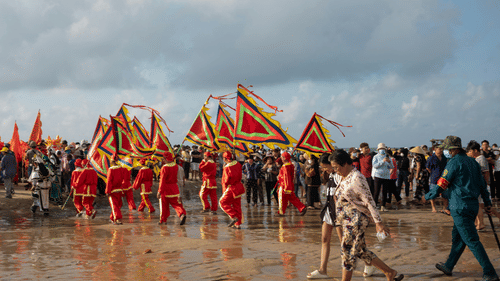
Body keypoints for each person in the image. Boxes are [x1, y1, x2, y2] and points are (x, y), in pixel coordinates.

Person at [425, 136, 499, 281]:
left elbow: (442, 184)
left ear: (452, 149)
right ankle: (448, 266)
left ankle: (489, 272)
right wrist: (487, 203)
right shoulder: (473, 162)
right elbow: (483, 185)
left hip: (459, 207)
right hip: (472, 206)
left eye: (448, 149)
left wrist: (428, 196)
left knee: (471, 240)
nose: (447, 151)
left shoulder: (453, 162)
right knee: (458, 238)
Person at [330, 150, 404, 281]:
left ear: (345, 163)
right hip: (347, 220)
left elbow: (369, 201)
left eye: (336, 167)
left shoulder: (356, 178)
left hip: (356, 220)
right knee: (360, 250)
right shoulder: (343, 176)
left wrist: (378, 222)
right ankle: (389, 272)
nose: (335, 170)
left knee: (347, 250)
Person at [158, 152, 187, 225]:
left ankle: (163, 220)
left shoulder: (164, 167)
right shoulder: (175, 166)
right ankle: (182, 214)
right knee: (177, 204)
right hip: (174, 188)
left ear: (165, 158)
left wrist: (159, 191)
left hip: (166, 189)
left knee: (164, 205)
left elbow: (162, 181)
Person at [219, 151, 246, 229]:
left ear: (224, 158)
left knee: (222, 202)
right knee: (237, 205)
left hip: (231, 187)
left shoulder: (227, 168)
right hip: (239, 186)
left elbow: (225, 181)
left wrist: (224, 191)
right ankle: (237, 224)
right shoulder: (238, 164)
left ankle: (233, 216)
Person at [277, 152, 307, 216]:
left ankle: (281, 212)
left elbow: (286, 178)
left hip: (284, 186)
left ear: (285, 158)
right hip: (289, 185)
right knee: (292, 198)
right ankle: (302, 207)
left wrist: (286, 187)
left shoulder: (285, 166)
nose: (281, 158)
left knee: (282, 199)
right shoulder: (290, 165)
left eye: (282, 157)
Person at [426, 144, 449, 214]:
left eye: (441, 149)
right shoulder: (431, 158)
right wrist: (433, 173)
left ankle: (444, 208)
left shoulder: (444, 158)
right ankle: (433, 207)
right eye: (439, 149)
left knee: (445, 195)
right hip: (434, 178)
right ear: (435, 150)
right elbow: (428, 168)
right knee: (433, 194)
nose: (441, 151)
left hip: (443, 178)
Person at [372, 143, 394, 211]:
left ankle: (383, 206)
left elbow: (392, 167)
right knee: (376, 192)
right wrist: (382, 161)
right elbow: (375, 165)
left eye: (383, 149)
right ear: (378, 150)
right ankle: (374, 206)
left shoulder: (388, 157)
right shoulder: (375, 157)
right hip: (378, 176)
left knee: (385, 192)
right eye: (380, 149)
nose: (382, 150)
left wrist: (389, 162)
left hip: (386, 176)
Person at [106, 160, 128, 225]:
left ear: (112, 162)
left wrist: (107, 191)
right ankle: (112, 218)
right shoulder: (122, 168)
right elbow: (125, 179)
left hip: (113, 190)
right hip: (120, 189)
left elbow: (109, 181)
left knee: (114, 205)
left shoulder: (111, 169)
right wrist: (123, 189)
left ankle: (117, 219)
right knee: (118, 205)